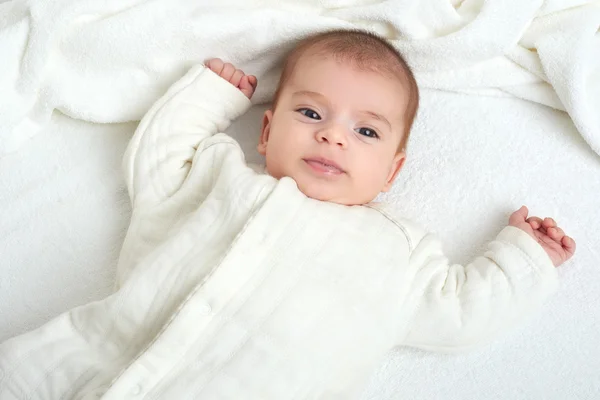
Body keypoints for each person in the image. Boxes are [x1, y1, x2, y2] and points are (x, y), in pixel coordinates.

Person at [0, 29, 575, 399]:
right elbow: (157, 160)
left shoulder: (399, 254)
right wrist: (210, 97)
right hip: (76, 363)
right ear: (266, 131)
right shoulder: (219, 177)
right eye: (309, 111)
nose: (332, 134)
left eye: (366, 130)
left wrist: (524, 257)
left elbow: (462, 312)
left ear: (392, 172)